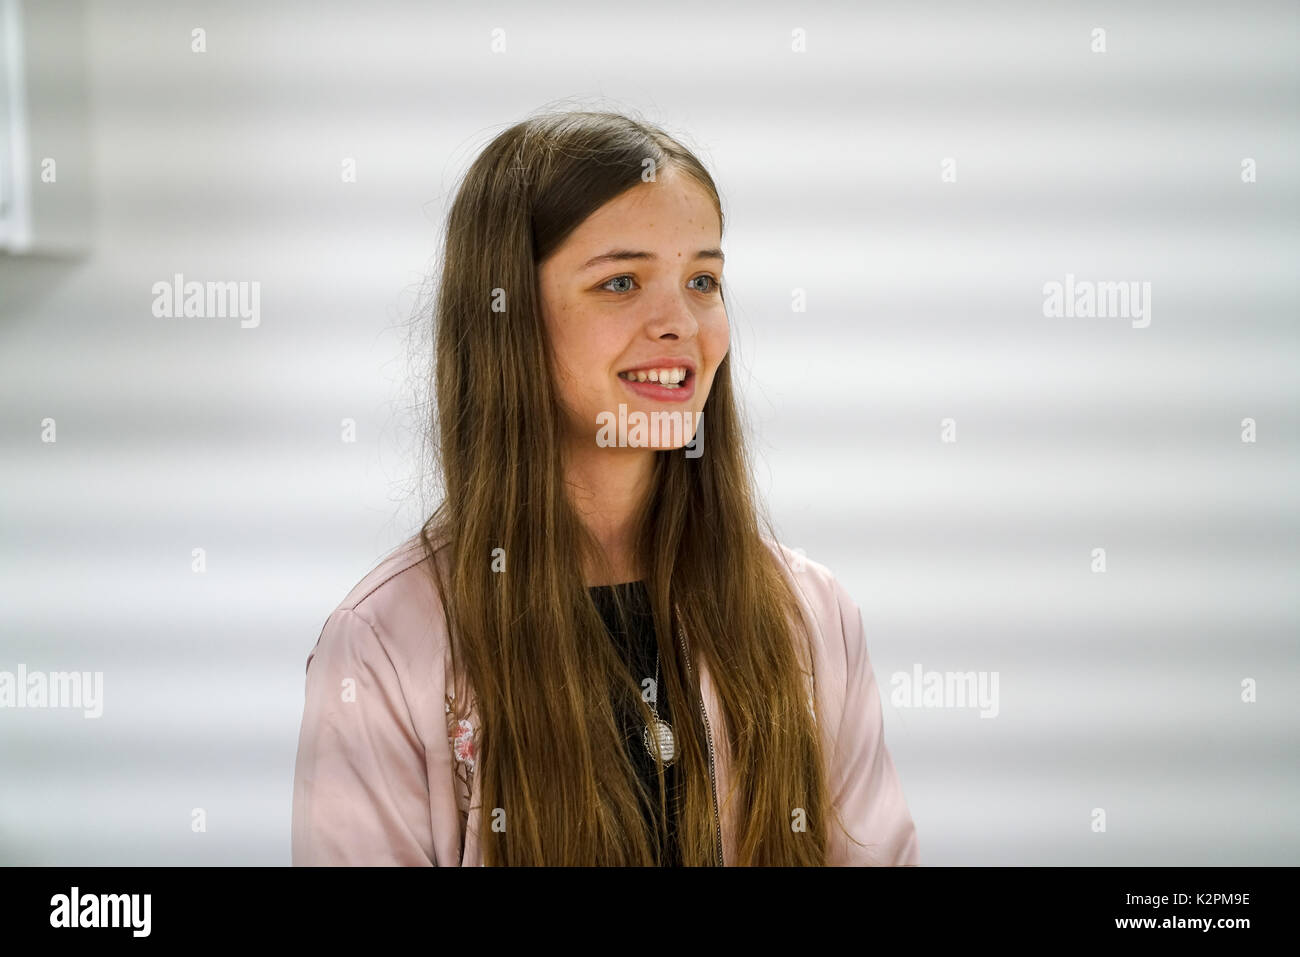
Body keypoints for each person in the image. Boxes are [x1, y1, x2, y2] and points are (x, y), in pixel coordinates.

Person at [290, 109, 919, 866]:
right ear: (508, 314)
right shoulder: (383, 647)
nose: (680, 323)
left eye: (703, 280)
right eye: (621, 281)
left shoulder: (813, 616)